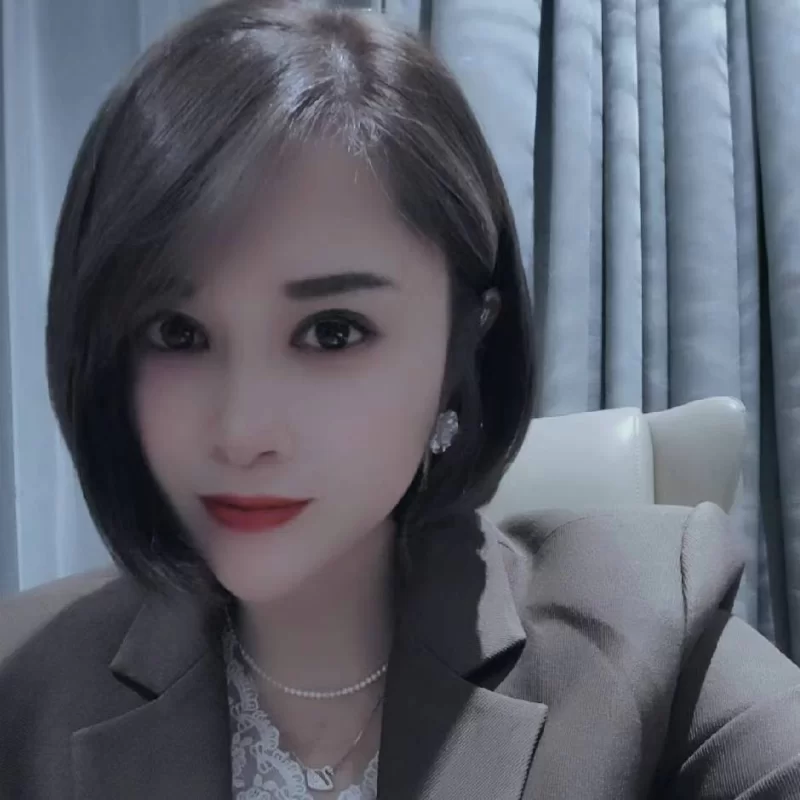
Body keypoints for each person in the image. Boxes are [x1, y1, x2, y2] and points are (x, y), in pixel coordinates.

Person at [1, 1, 799, 798]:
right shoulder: (21, 679)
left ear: (464, 343)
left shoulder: (649, 626)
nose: (242, 431)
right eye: (177, 333)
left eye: (332, 332)